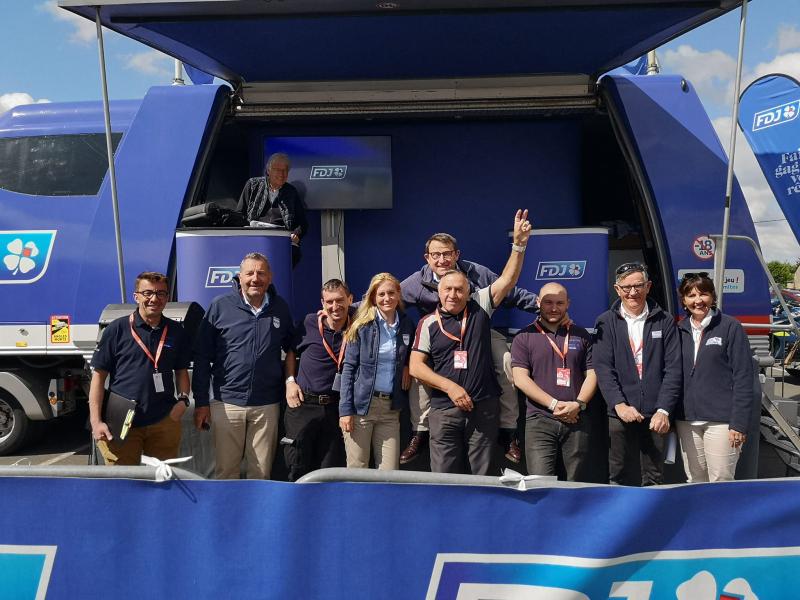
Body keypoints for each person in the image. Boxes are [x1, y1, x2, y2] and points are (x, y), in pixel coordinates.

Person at [399, 232, 540, 465]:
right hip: (438, 338)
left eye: (447, 254)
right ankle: (420, 432)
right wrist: (349, 312)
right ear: (427, 258)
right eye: (436, 255)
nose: (442, 260)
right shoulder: (416, 282)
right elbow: (384, 299)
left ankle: (508, 431)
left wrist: (544, 306)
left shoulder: (476, 272)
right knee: (418, 370)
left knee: (505, 359)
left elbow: (509, 288)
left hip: (477, 331)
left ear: (457, 254)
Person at [192, 252, 295, 479]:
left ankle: (257, 506)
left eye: (261, 273)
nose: (255, 279)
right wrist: (201, 402)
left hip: (266, 404)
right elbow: (202, 357)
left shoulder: (280, 307)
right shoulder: (220, 306)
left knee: (261, 473)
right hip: (227, 403)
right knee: (226, 472)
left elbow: (292, 348)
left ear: (270, 277)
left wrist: (290, 380)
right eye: (249, 273)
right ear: (239, 277)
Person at [593, 262, 682, 486]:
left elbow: (673, 369)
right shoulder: (605, 322)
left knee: (654, 476)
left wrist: (664, 410)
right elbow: (603, 369)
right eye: (626, 287)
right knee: (618, 474)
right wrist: (619, 405)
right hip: (619, 413)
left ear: (648, 286)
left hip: (656, 414)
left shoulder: (665, 321)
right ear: (617, 289)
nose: (633, 292)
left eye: (638, 286)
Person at [89, 272, 191, 465]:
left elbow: (181, 371)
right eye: (147, 293)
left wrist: (183, 401)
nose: (154, 299)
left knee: (163, 477)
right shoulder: (116, 330)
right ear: (136, 296)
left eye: (161, 293)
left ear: (167, 297)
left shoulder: (176, 331)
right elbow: (98, 377)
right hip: (122, 421)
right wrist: (96, 422)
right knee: (124, 478)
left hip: (164, 420)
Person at [510, 282, 597, 481]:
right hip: (539, 421)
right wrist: (554, 404)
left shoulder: (581, 335)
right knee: (540, 484)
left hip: (576, 419)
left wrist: (579, 404)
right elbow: (520, 379)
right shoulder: (524, 336)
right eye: (548, 302)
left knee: (574, 484)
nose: (554, 308)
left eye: (560, 303)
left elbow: (592, 374)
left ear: (568, 304)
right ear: (538, 302)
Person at [675, 272, 755, 482]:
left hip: (722, 421)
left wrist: (738, 423)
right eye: (691, 295)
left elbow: (744, 377)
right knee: (695, 481)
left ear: (712, 297)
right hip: (687, 420)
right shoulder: (679, 330)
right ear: (684, 301)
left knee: (721, 480)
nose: (698, 300)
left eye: (703, 294)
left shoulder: (730, 327)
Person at [339, 273, 415, 470]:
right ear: (373, 297)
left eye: (391, 293)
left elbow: (411, 353)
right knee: (358, 469)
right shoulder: (361, 325)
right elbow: (348, 369)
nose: (386, 298)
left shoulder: (407, 324)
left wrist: (407, 365)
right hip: (361, 408)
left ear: (398, 294)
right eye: (381, 294)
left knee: (390, 473)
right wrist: (345, 411)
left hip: (390, 409)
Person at [283, 279, 354, 481]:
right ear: (322, 303)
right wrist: (290, 381)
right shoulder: (309, 323)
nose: (335, 306)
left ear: (350, 300)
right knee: (296, 466)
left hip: (335, 409)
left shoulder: (358, 325)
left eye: (340, 300)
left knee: (329, 471)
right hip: (304, 405)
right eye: (329, 302)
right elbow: (291, 352)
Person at [236, 152, 309, 266]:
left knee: (293, 254)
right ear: (268, 170)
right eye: (277, 170)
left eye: (285, 170)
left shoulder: (291, 192)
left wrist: (296, 234)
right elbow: (239, 214)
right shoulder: (253, 185)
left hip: (281, 239)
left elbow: (303, 223)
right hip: (254, 237)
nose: (282, 174)